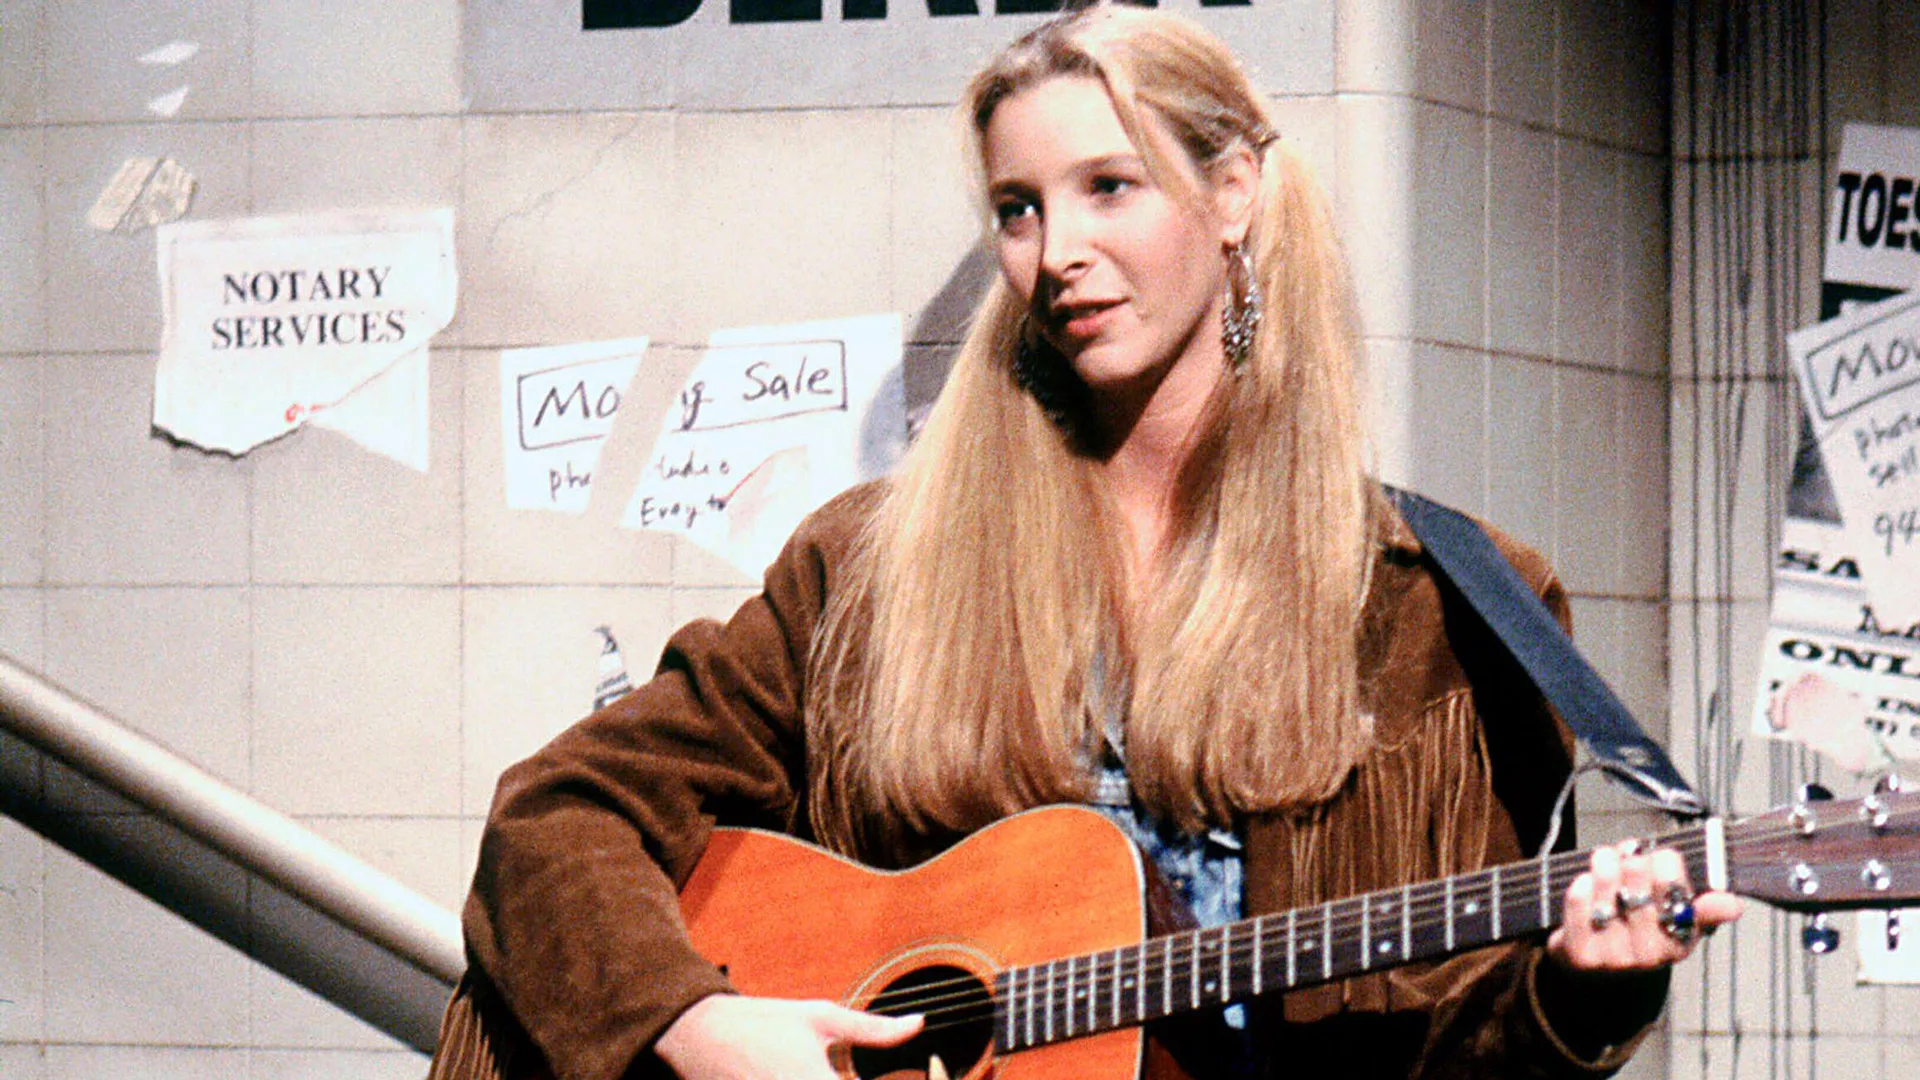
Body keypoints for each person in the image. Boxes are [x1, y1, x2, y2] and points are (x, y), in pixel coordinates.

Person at [443, 5, 1741, 1079]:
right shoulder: (870, 569)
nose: (1059, 253)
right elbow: (559, 813)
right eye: (1019, 209)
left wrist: (1580, 990)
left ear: (1235, 194)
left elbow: (1456, 1054)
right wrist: (694, 1021)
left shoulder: (1449, 607)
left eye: (1109, 188)